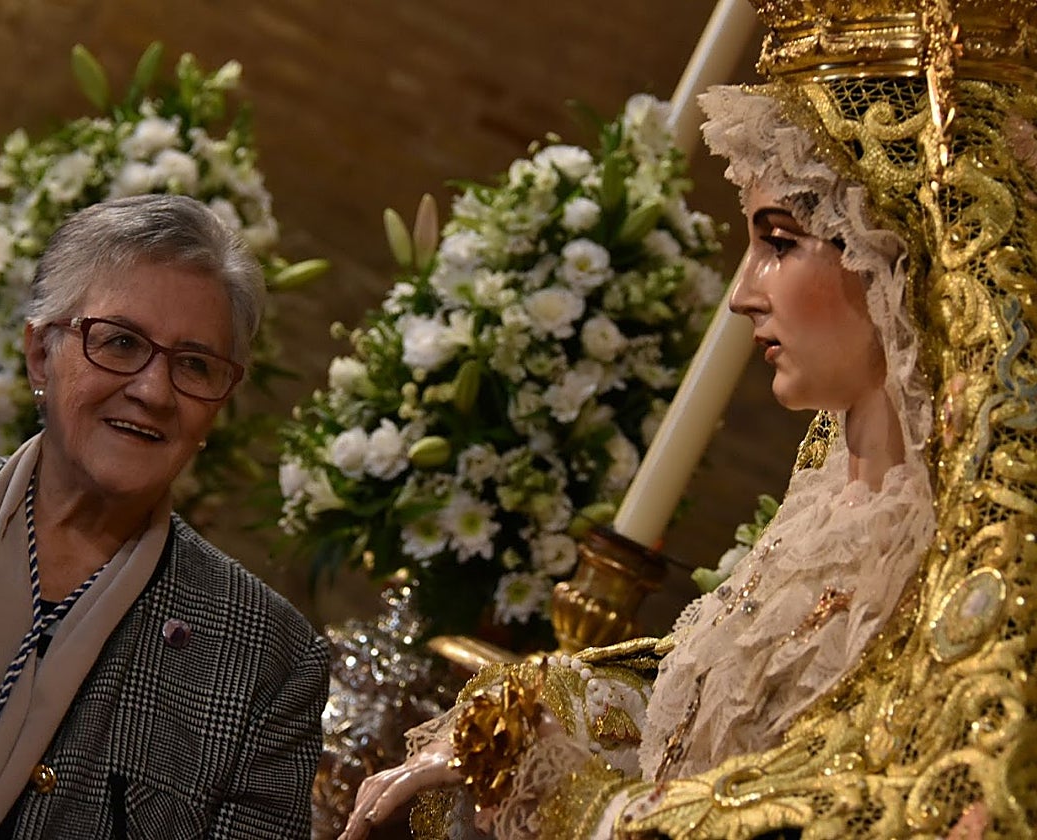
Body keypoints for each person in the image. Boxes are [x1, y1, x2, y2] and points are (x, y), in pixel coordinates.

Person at [340, 1, 1037, 837]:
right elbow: (697, 716)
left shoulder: (975, 543)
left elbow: (877, 802)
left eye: (779, 242)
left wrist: (576, 803)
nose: (743, 294)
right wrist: (528, 716)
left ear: (899, 250)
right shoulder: (827, 504)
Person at [0, 194, 329, 839]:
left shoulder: (268, 665)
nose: (154, 391)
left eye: (194, 366)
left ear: (221, 402)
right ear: (41, 355)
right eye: (119, 342)